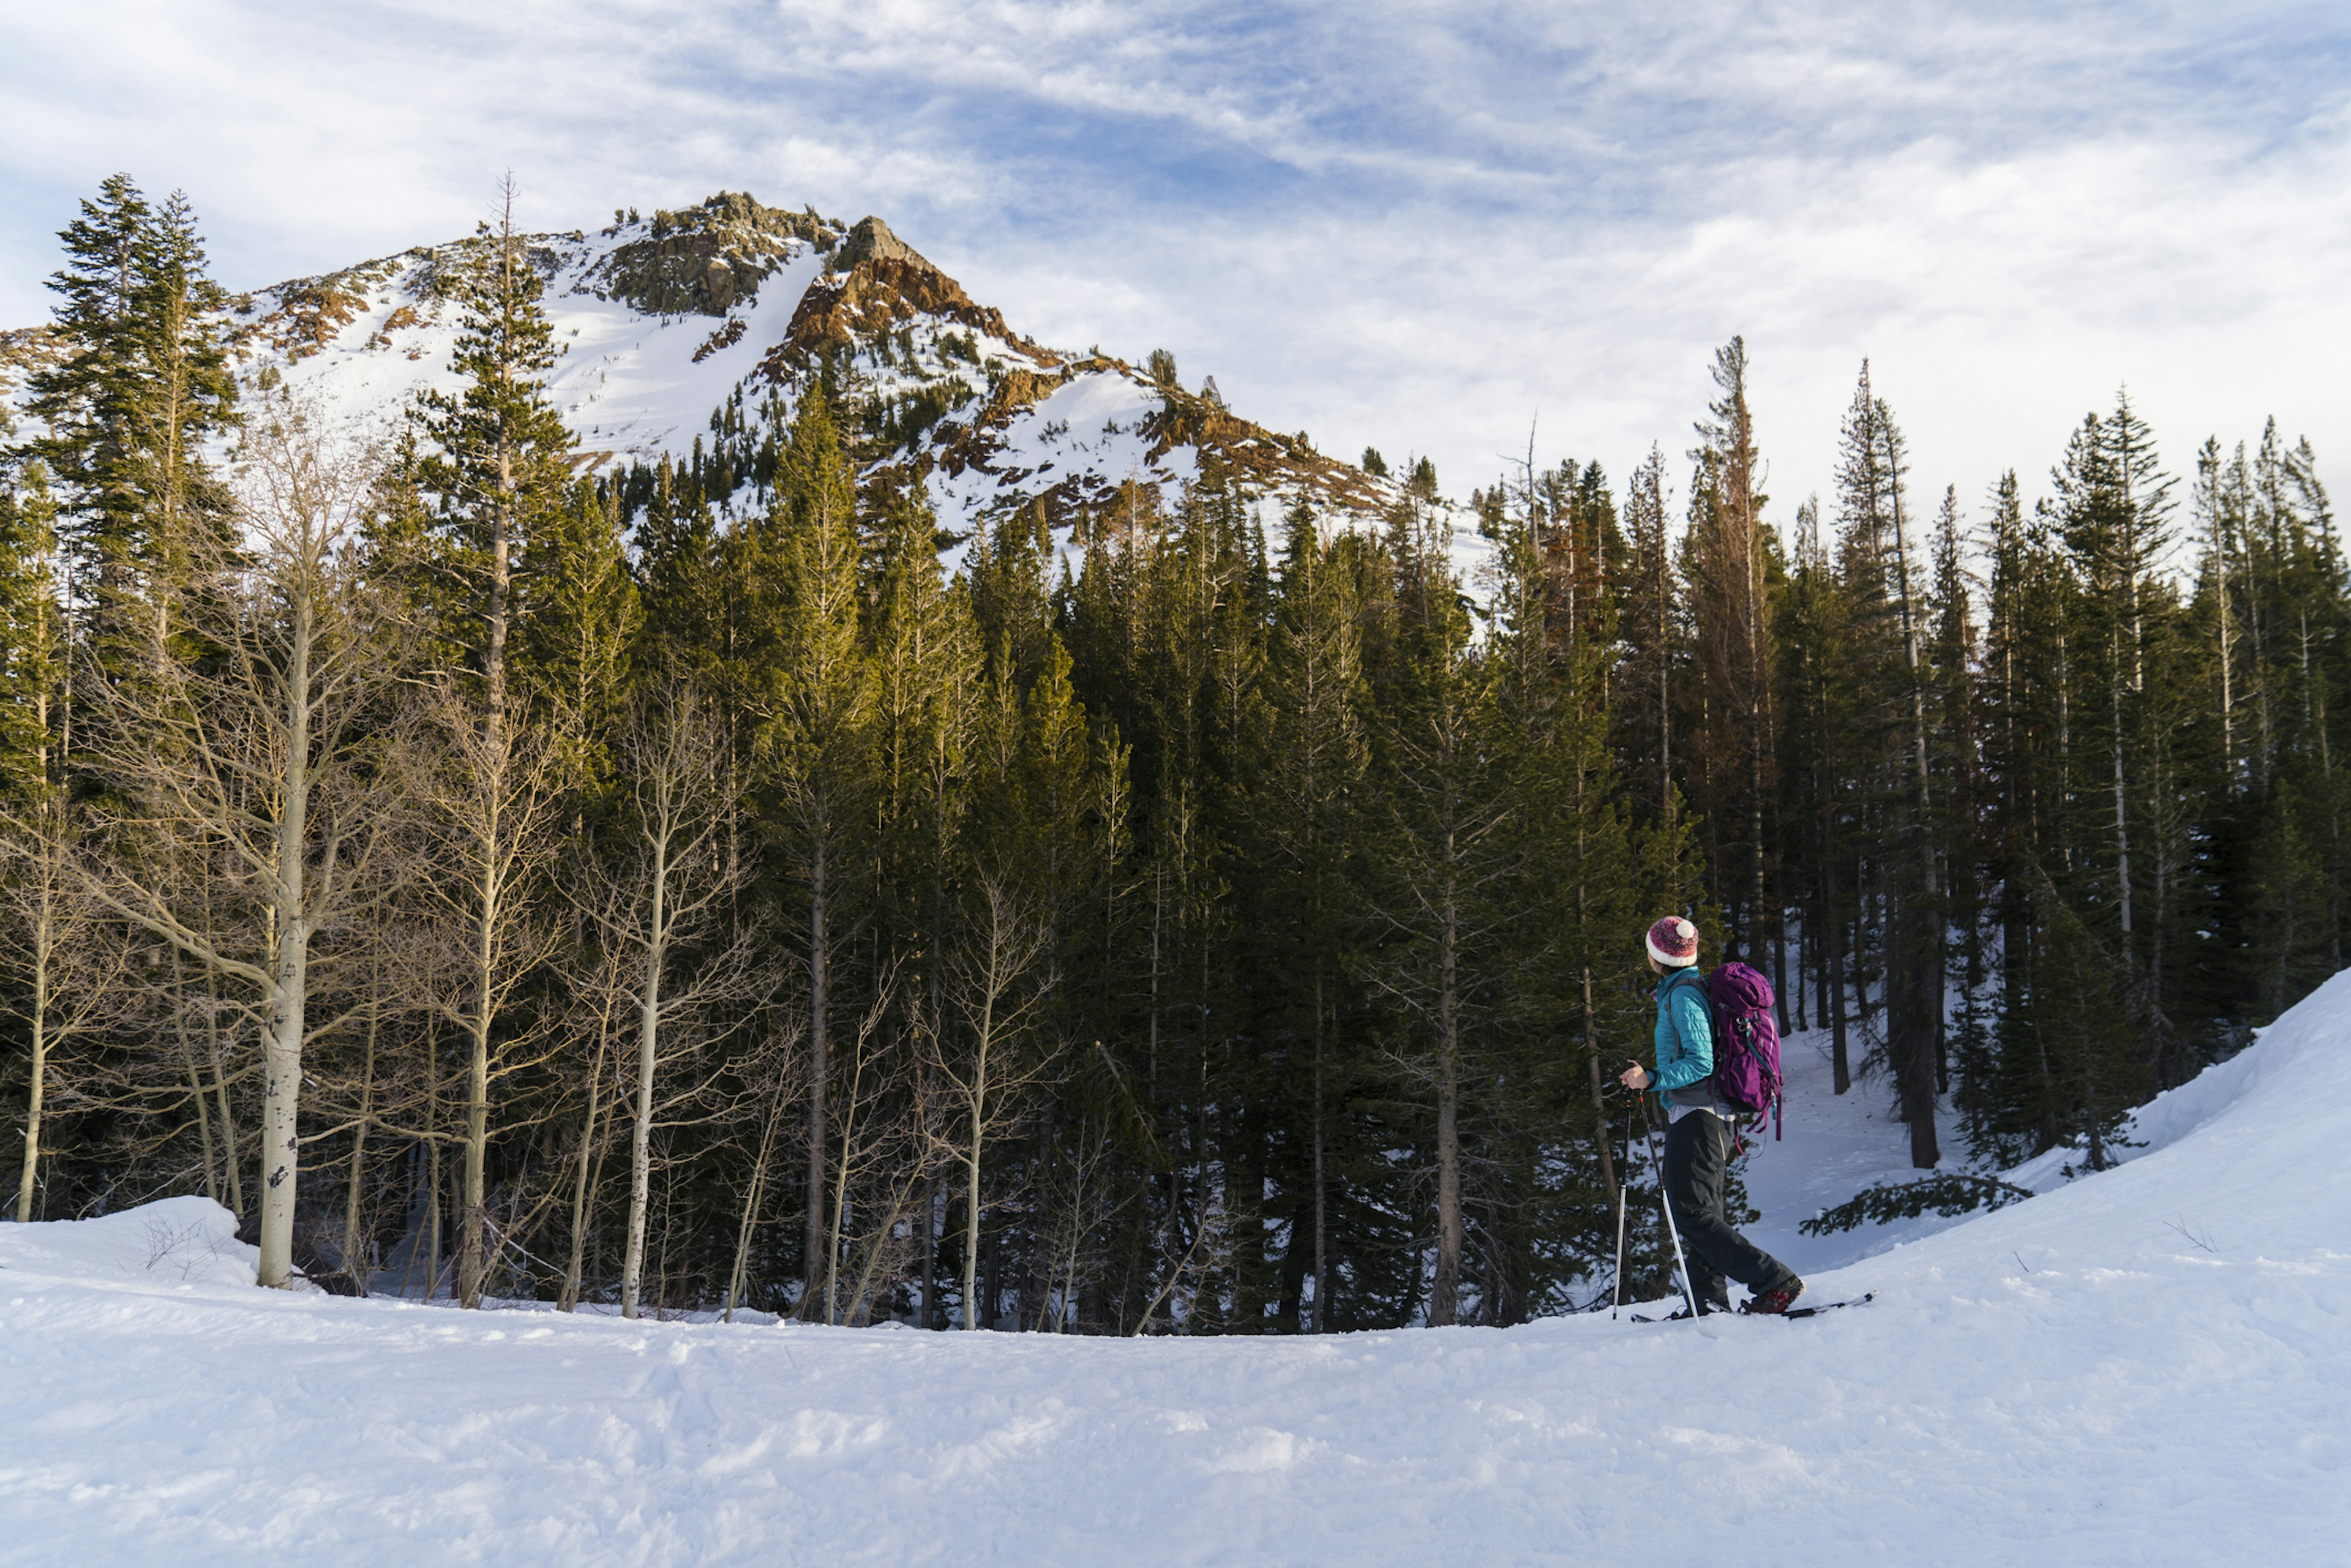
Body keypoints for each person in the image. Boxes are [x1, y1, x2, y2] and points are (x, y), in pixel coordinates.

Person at [1617, 915, 1805, 1316]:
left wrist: (1650, 1077)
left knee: (1689, 1210)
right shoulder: (1683, 989)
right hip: (1703, 1112)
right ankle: (1708, 1302)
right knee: (1700, 1210)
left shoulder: (1684, 995)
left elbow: (1701, 1062)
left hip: (1699, 1112)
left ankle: (1774, 1280)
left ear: (1656, 956)